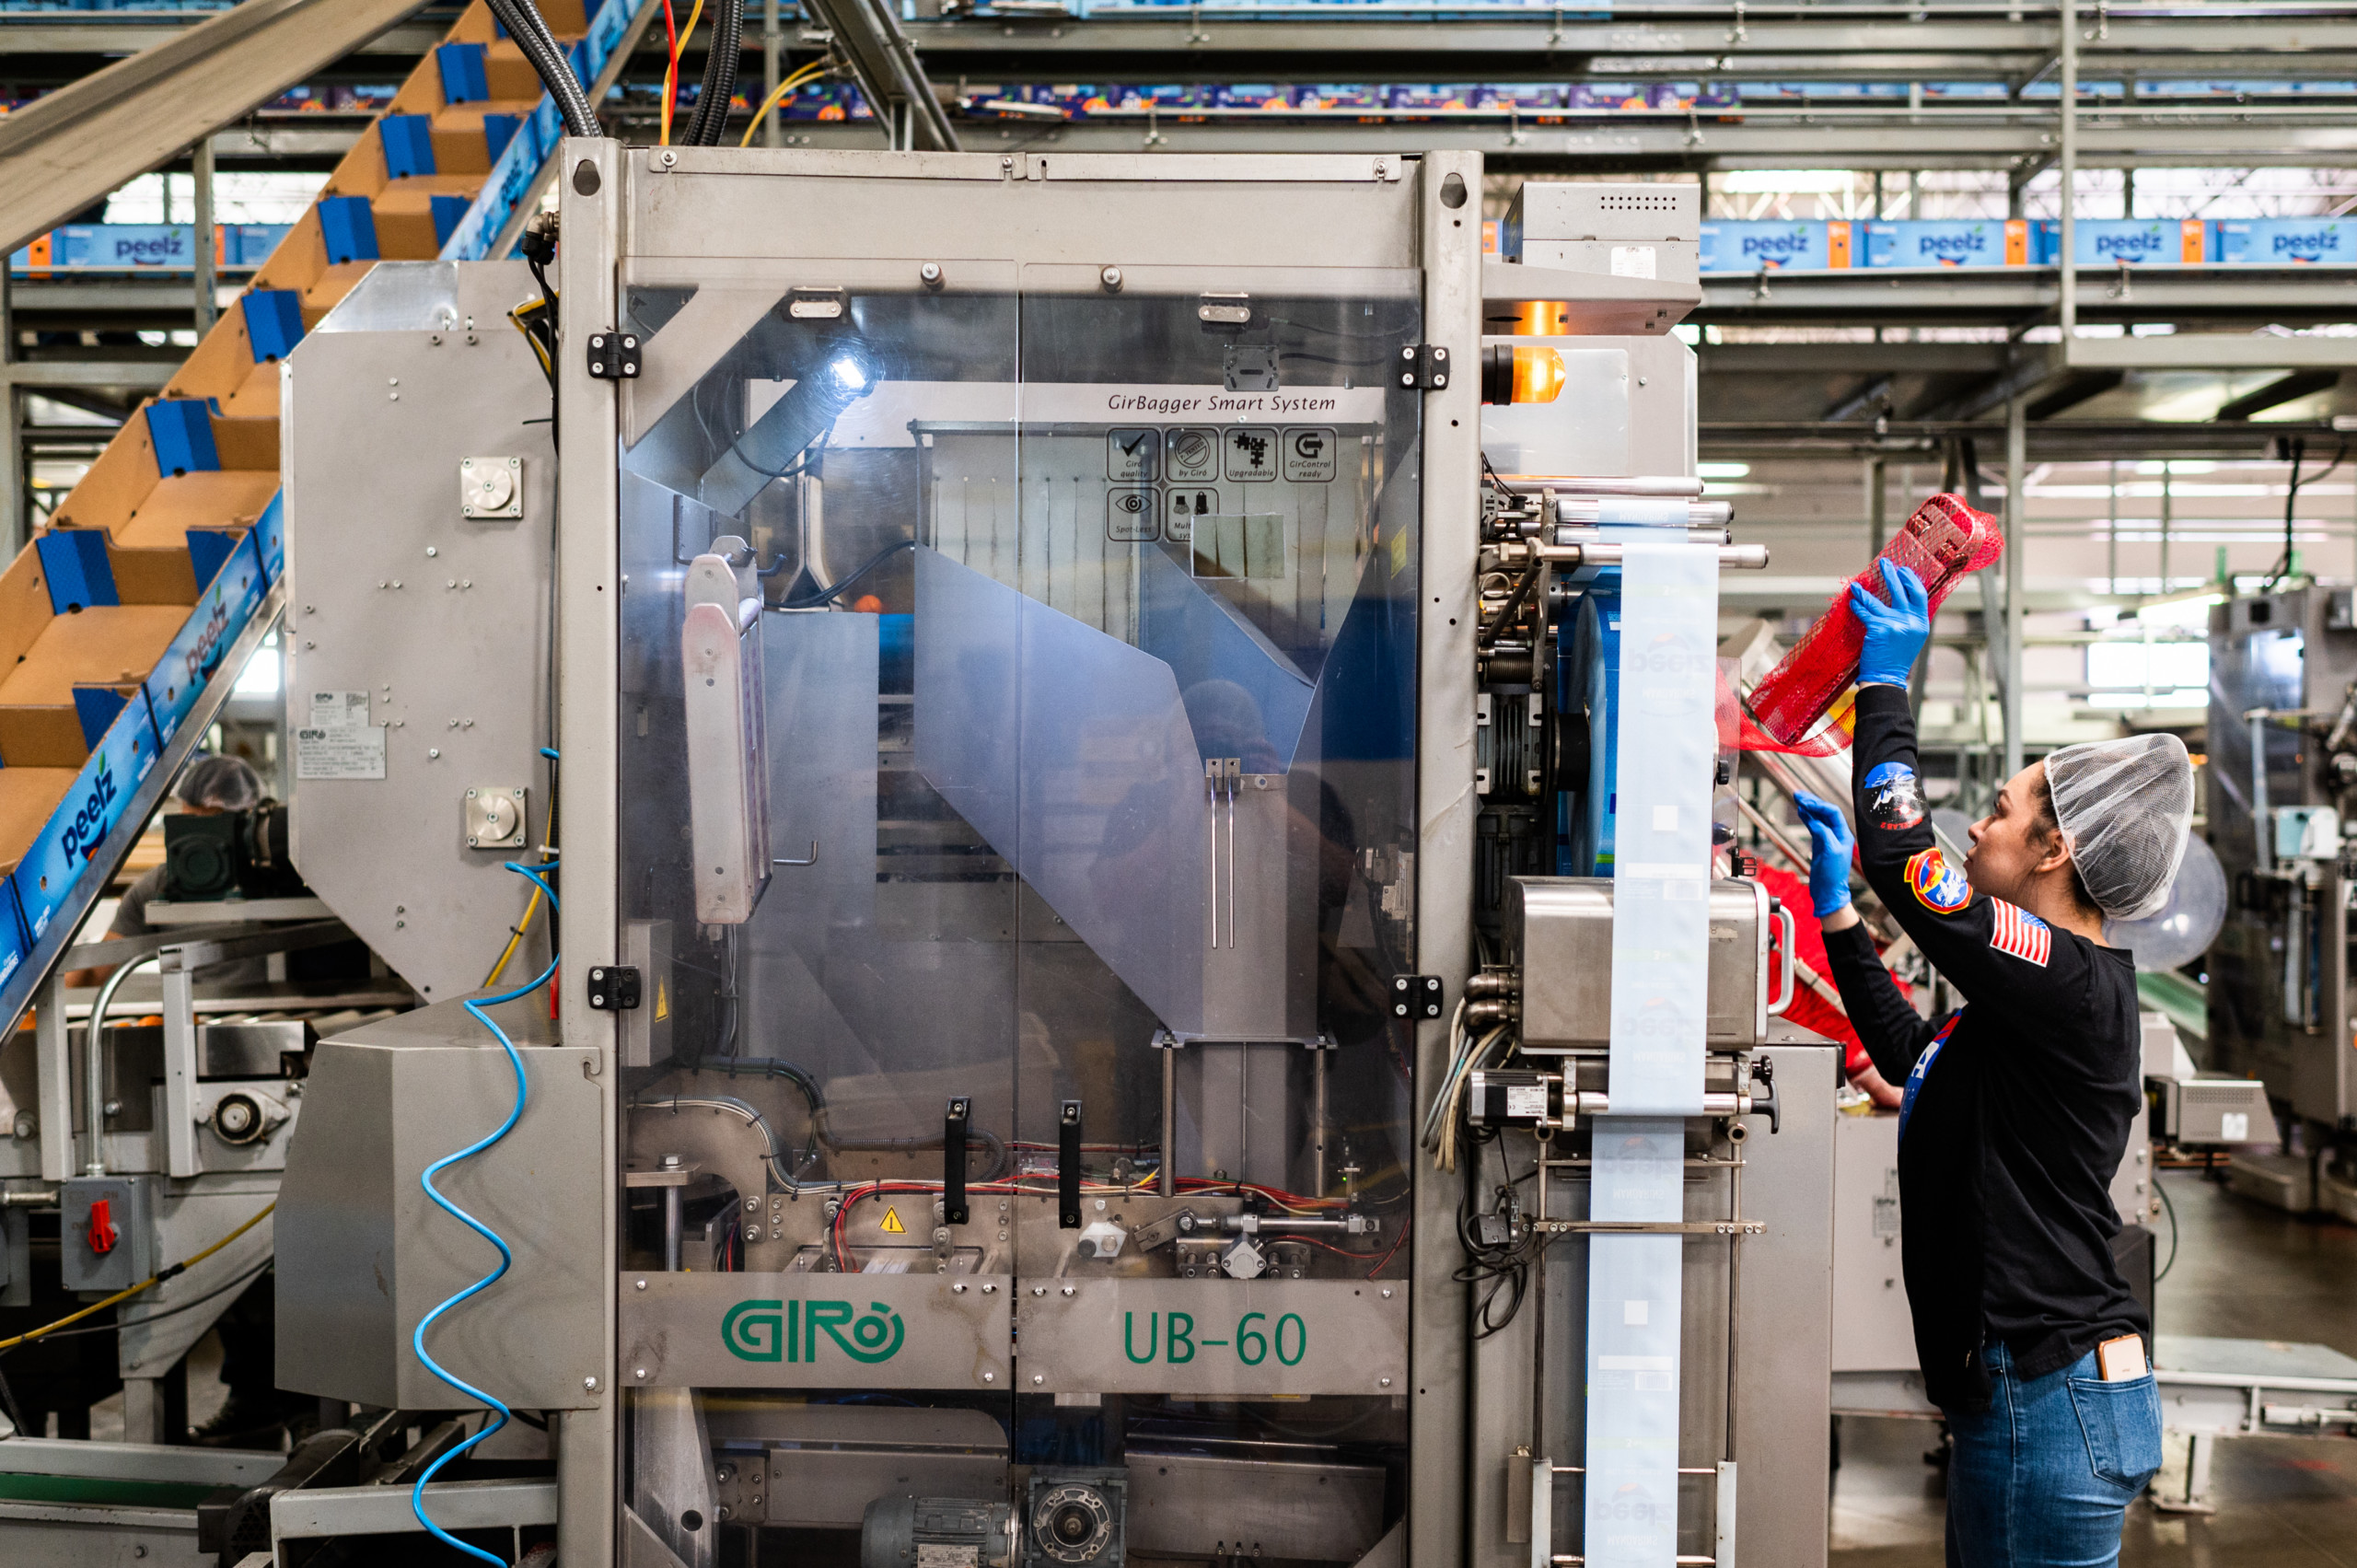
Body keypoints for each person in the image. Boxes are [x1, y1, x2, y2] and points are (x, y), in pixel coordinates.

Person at [1791, 561, 2188, 1568]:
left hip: (2047, 1392)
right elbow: (1918, 1055)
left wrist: (1884, 687)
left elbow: (1910, 866)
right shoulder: (2038, 990)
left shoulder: (2063, 974)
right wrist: (1837, 914)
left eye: (2004, 811)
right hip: (2034, 1390)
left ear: (2053, 850)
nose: (1982, 820)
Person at [62, 754, 266, 991]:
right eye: (191, 826)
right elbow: (94, 973)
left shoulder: (278, 883)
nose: (202, 848)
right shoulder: (156, 887)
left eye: (216, 826)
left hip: (274, 1012)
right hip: (190, 1016)